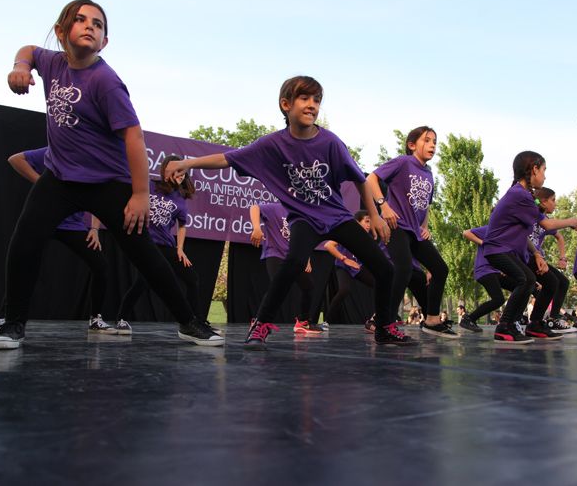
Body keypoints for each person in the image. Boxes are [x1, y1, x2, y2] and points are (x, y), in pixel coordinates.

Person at [0, 0, 222, 350]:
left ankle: (189, 322)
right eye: (81, 20)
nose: (90, 26)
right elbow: (30, 51)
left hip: (107, 184)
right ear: (61, 31)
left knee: (144, 253)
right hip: (59, 179)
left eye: (97, 24)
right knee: (24, 243)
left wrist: (140, 194)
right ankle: (12, 324)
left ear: (104, 42)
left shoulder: (105, 81)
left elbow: (134, 137)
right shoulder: (52, 62)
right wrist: (20, 66)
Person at [166, 76, 408, 347]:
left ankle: (384, 327)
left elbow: (359, 179)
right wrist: (188, 163)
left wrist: (374, 215)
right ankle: (261, 324)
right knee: (292, 264)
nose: (312, 105)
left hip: (336, 217)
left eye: (317, 100)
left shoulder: (330, 142)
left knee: (385, 269)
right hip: (304, 219)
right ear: (286, 104)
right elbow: (226, 158)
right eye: (304, 98)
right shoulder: (272, 144)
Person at [0, 146, 115, 336]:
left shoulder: (94, 160)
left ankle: (95, 320)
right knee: (23, 266)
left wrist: (94, 228)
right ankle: (3, 318)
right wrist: (44, 186)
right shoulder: (60, 149)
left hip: (72, 225)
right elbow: (15, 159)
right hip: (44, 218)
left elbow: (98, 195)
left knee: (100, 266)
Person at [481, 151, 577, 343]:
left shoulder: (524, 194)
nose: (545, 176)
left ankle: (535, 324)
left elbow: (524, 233)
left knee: (551, 281)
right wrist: (572, 221)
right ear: (534, 169)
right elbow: (547, 225)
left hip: (513, 251)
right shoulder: (519, 195)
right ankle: (504, 326)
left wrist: (537, 254)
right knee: (526, 280)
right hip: (497, 249)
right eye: (544, 170)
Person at [114, 155, 222, 339]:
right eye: (176, 171)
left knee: (192, 278)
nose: (180, 175)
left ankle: (198, 321)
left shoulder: (180, 198)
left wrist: (180, 249)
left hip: (167, 246)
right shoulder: (150, 186)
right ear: (166, 171)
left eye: (183, 173)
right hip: (147, 244)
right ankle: (121, 318)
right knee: (142, 283)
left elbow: (182, 225)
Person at [368, 126, 457, 339]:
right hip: (396, 226)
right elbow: (371, 179)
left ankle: (432, 320)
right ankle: (384, 322)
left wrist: (424, 226)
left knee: (440, 269)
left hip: (415, 231)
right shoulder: (403, 162)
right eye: (427, 140)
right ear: (412, 145)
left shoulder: (429, 173)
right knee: (404, 268)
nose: (432, 145)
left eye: (434, 141)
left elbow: (425, 205)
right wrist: (383, 206)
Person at [325, 210, 429, 331]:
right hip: (344, 267)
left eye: (370, 222)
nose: (369, 225)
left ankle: (380, 318)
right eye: (366, 221)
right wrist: (344, 259)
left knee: (382, 285)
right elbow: (328, 245)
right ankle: (327, 321)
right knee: (344, 290)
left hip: (357, 268)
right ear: (357, 222)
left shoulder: (368, 238)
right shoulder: (349, 232)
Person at [528, 187, 577, 333]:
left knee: (562, 282)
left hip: (535, 257)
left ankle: (551, 318)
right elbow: (549, 225)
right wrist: (570, 221)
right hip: (525, 256)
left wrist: (563, 257)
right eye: (553, 200)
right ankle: (529, 322)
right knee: (548, 283)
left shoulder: (544, 218)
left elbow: (559, 236)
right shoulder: (532, 213)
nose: (555, 204)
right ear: (543, 202)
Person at [250, 201, 320, 334]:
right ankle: (258, 322)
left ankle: (303, 322)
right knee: (276, 288)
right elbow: (255, 207)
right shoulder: (275, 207)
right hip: (275, 254)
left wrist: (307, 258)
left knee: (308, 286)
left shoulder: (300, 214)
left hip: (293, 257)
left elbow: (303, 238)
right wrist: (257, 228)